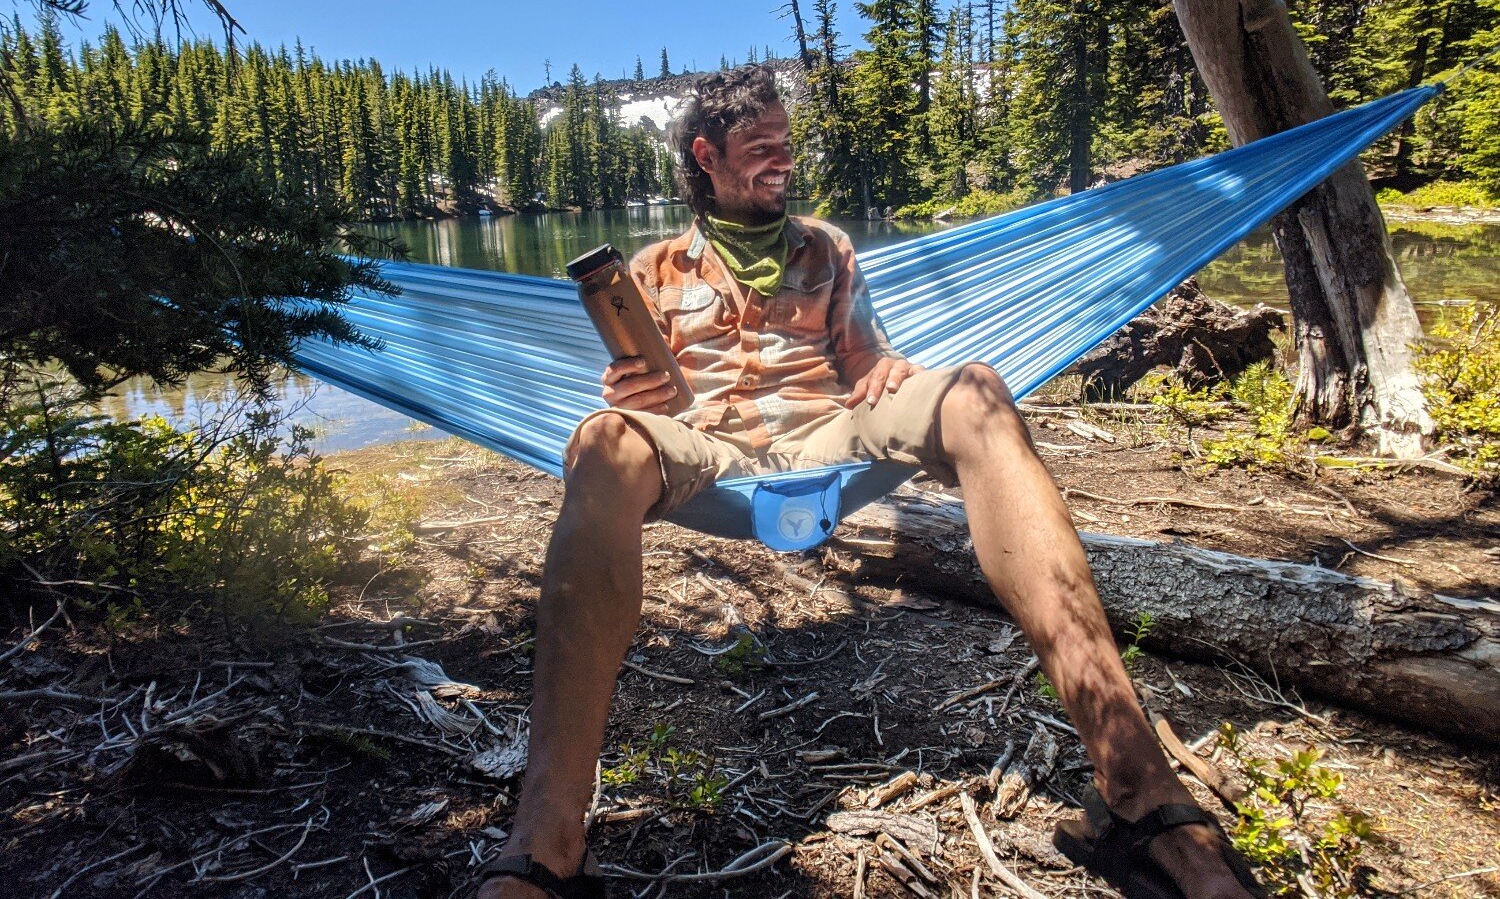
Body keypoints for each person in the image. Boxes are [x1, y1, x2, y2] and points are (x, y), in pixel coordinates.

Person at [477, 65, 1264, 899]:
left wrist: (885, 365)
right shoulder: (653, 269)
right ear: (705, 156)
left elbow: (864, 360)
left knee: (978, 394)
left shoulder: (827, 247)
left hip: (832, 433)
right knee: (601, 440)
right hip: (707, 449)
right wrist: (631, 397)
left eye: (788, 146)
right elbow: (652, 393)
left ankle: (1143, 798)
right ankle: (549, 839)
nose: (783, 163)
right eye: (761, 150)